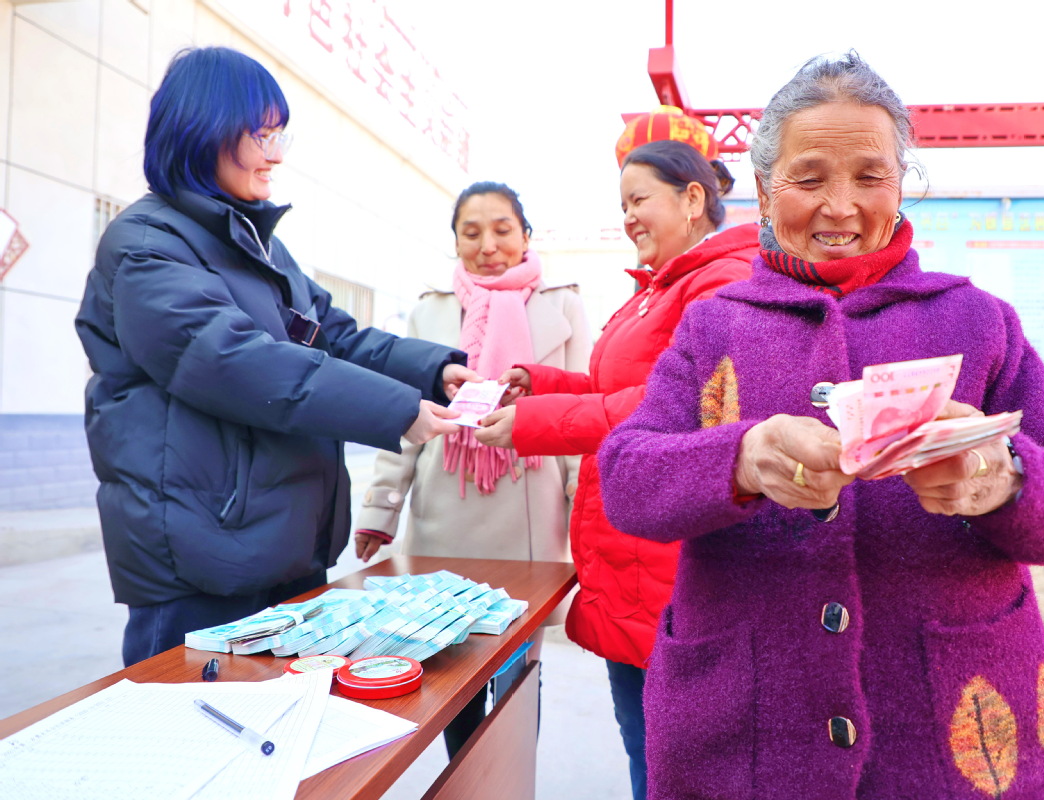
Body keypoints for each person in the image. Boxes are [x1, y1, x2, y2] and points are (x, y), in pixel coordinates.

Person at [597, 52, 1044, 800]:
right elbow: (626, 480)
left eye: (870, 177)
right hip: (744, 735)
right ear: (766, 188)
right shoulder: (714, 327)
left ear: (902, 184)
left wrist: (1003, 475)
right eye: (809, 178)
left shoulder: (977, 322)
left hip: (950, 732)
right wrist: (742, 459)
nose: (840, 207)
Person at [75, 46, 476, 667]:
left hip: (277, 544)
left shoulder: (255, 245)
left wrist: (431, 370)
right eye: (261, 134)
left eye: (279, 133)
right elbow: (238, 363)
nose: (277, 153)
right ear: (202, 130)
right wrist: (397, 410)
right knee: (198, 739)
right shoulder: (146, 247)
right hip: (203, 557)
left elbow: (333, 335)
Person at [474, 140, 758, 800]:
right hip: (634, 560)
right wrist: (539, 383)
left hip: (672, 567)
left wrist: (535, 424)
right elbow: (609, 385)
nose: (628, 217)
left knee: (674, 763)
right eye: (622, 204)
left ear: (693, 200)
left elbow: (675, 403)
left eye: (639, 200)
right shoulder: (656, 290)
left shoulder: (720, 283)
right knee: (649, 749)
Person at [354, 181, 591, 757]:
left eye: (502, 230)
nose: (488, 245)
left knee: (515, 672)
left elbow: (580, 411)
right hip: (444, 504)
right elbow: (401, 413)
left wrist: (587, 512)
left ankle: (508, 779)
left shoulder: (562, 303)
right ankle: (465, 778)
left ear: (526, 235)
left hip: (528, 505)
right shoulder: (432, 307)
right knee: (450, 666)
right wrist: (381, 510)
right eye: (472, 232)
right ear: (456, 241)